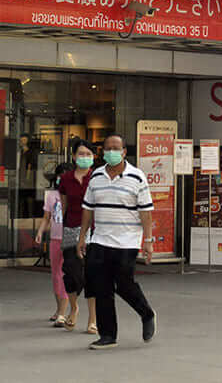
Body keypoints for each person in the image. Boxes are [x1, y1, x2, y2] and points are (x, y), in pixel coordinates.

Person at [78, 133, 156, 350]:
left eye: (116, 148)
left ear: (124, 152)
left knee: (124, 284)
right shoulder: (96, 177)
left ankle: (146, 313)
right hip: (100, 239)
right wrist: (83, 237)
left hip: (127, 241)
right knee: (101, 287)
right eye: (107, 148)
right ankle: (107, 335)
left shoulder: (137, 177)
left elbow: (146, 212)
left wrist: (148, 241)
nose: (111, 152)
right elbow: (87, 209)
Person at [58, 140, 97, 333]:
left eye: (88, 154)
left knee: (92, 274)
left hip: (95, 230)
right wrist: (58, 231)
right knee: (71, 273)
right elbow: (63, 206)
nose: (84, 157)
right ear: (73, 156)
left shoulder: (98, 177)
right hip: (71, 228)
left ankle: (93, 318)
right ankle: (73, 308)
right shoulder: (65, 179)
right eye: (81, 154)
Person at [35, 163, 71, 327]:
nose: (62, 179)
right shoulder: (51, 195)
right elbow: (46, 217)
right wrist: (40, 232)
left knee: (64, 275)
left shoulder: (75, 194)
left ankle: (63, 313)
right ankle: (59, 309)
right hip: (55, 238)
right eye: (60, 176)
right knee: (56, 275)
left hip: (70, 238)